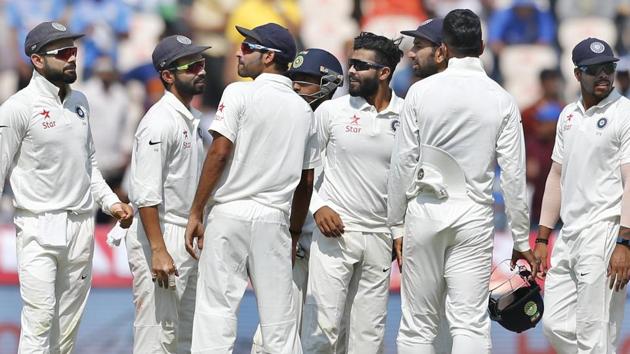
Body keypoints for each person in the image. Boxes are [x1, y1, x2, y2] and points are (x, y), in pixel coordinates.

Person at [387, 9, 538, 354]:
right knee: (469, 322)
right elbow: (513, 176)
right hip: (473, 215)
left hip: (424, 212)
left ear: (443, 49)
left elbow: (403, 165)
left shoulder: (420, 93)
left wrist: (396, 226)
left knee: (417, 326)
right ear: (482, 46)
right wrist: (520, 238)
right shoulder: (501, 98)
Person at [184, 23, 317, 354]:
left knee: (216, 313)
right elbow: (307, 180)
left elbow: (219, 152)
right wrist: (295, 232)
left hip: (230, 213)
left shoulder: (238, 92)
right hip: (275, 219)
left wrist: (197, 210)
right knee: (279, 322)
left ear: (269, 57)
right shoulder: (303, 108)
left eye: (247, 48)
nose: (238, 53)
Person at [0, 21, 133, 353]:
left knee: (67, 327)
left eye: (74, 50)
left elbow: (89, 165)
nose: (72, 58)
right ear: (37, 59)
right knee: (40, 318)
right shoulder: (17, 108)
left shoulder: (80, 102)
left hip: (80, 225)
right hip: (37, 225)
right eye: (63, 52)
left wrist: (111, 203)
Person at [300, 31, 403, 354]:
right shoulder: (332, 112)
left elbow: (409, 179)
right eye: (351, 63)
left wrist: (397, 231)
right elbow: (304, 169)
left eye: (361, 65)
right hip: (334, 234)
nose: (352, 71)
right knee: (323, 333)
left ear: (384, 73)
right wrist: (318, 207)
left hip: (380, 239)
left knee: (367, 339)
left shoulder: (406, 115)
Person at [534, 37, 630, 354]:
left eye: (608, 68)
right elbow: (557, 175)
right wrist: (544, 238)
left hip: (605, 231)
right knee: (554, 325)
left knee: (594, 331)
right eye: (594, 70)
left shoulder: (625, 113)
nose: (603, 75)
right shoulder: (567, 116)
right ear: (577, 74)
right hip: (570, 232)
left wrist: (624, 242)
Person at [251, 47, 344, 354]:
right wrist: (316, 207)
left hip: (329, 242)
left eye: (306, 80)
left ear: (329, 83)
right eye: (294, 78)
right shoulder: (287, 117)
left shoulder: (341, 118)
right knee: (274, 330)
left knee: (326, 331)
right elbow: (286, 179)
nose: (296, 86)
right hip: (288, 236)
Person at [126, 35, 210, 354]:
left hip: (184, 232)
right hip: (161, 233)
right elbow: (146, 194)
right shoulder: (158, 123)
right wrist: (158, 250)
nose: (201, 71)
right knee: (156, 336)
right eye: (191, 66)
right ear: (168, 75)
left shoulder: (187, 119)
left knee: (185, 336)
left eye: (201, 64)